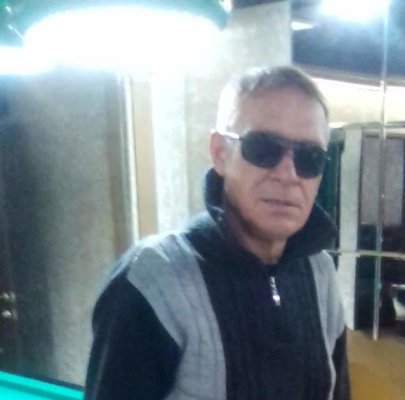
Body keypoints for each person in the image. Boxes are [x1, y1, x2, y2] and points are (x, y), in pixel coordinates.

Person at [84, 65, 350, 400]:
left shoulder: (320, 271)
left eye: (309, 157)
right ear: (220, 153)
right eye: (263, 148)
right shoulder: (152, 279)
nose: (288, 174)